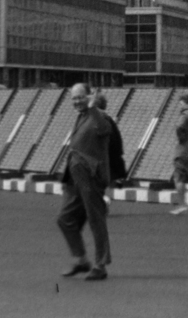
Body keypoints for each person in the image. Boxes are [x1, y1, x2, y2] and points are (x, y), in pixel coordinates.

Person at [57, 83, 113, 281]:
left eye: (80, 97)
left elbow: (104, 129)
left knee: (96, 220)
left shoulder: (100, 116)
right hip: (75, 177)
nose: (76, 101)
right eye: (73, 98)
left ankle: (100, 265)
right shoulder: (81, 117)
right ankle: (81, 260)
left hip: (91, 176)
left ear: (89, 97)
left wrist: (92, 108)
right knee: (65, 218)